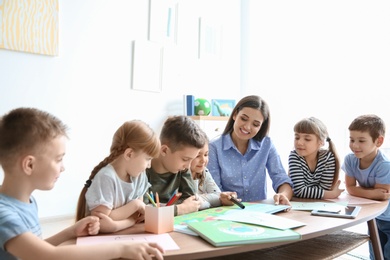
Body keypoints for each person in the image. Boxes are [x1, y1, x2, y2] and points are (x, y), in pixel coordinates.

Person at [0, 107, 164, 260]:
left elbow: (32, 251)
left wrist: (70, 232)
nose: (63, 167)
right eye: (58, 159)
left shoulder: (27, 202)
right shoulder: (4, 214)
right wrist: (121, 248)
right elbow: (48, 255)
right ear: (29, 165)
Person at [76, 120, 161, 234]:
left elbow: (137, 215)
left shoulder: (140, 176)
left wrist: (117, 225)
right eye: (148, 159)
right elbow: (102, 222)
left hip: (125, 235)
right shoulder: (106, 177)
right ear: (129, 154)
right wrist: (135, 206)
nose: (149, 165)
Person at [208, 95, 293, 205]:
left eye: (255, 124)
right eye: (243, 119)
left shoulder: (266, 144)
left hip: (259, 212)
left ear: (261, 126)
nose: (247, 127)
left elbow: (281, 178)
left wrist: (283, 195)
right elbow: (214, 190)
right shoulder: (214, 147)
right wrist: (222, 198)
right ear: (235, 115)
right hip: (227, 212)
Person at [342, 114, 390, 259]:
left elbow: (382, 197)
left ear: (379, 141)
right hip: (374, 217)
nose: (354, 145)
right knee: (375, 254)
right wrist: (372, 192)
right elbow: (350, 188)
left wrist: (358, 190)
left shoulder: (384, 164)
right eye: (351, 140)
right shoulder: (350, 160)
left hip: (388, 217)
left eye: (361, 141)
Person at [146, 115, 205, 216]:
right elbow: (142, 210)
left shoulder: (182, 169)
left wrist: (169, 208)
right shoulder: (142, 168)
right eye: (185, 159)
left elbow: (191, 201)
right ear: (164, 150)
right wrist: (179, 209)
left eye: (192, 159)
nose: (188, 166)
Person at [288, 117, 344, 199]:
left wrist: (305, 191)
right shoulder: (295, 156)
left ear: (321, 142)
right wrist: (331, 194)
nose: (299, 142)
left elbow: (324, 188)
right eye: (297, 137)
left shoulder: (328, 158)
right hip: (298, 203)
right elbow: (299, 190)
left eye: (307, 139)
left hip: (318, 204)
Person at [190, 132, 240, 210]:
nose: (203, 160)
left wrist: (223, 199)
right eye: (197, 156)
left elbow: (217, 195)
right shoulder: (180, 175)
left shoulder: (204, 171)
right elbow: (188, 202)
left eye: (206, 155)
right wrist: (211, 201)